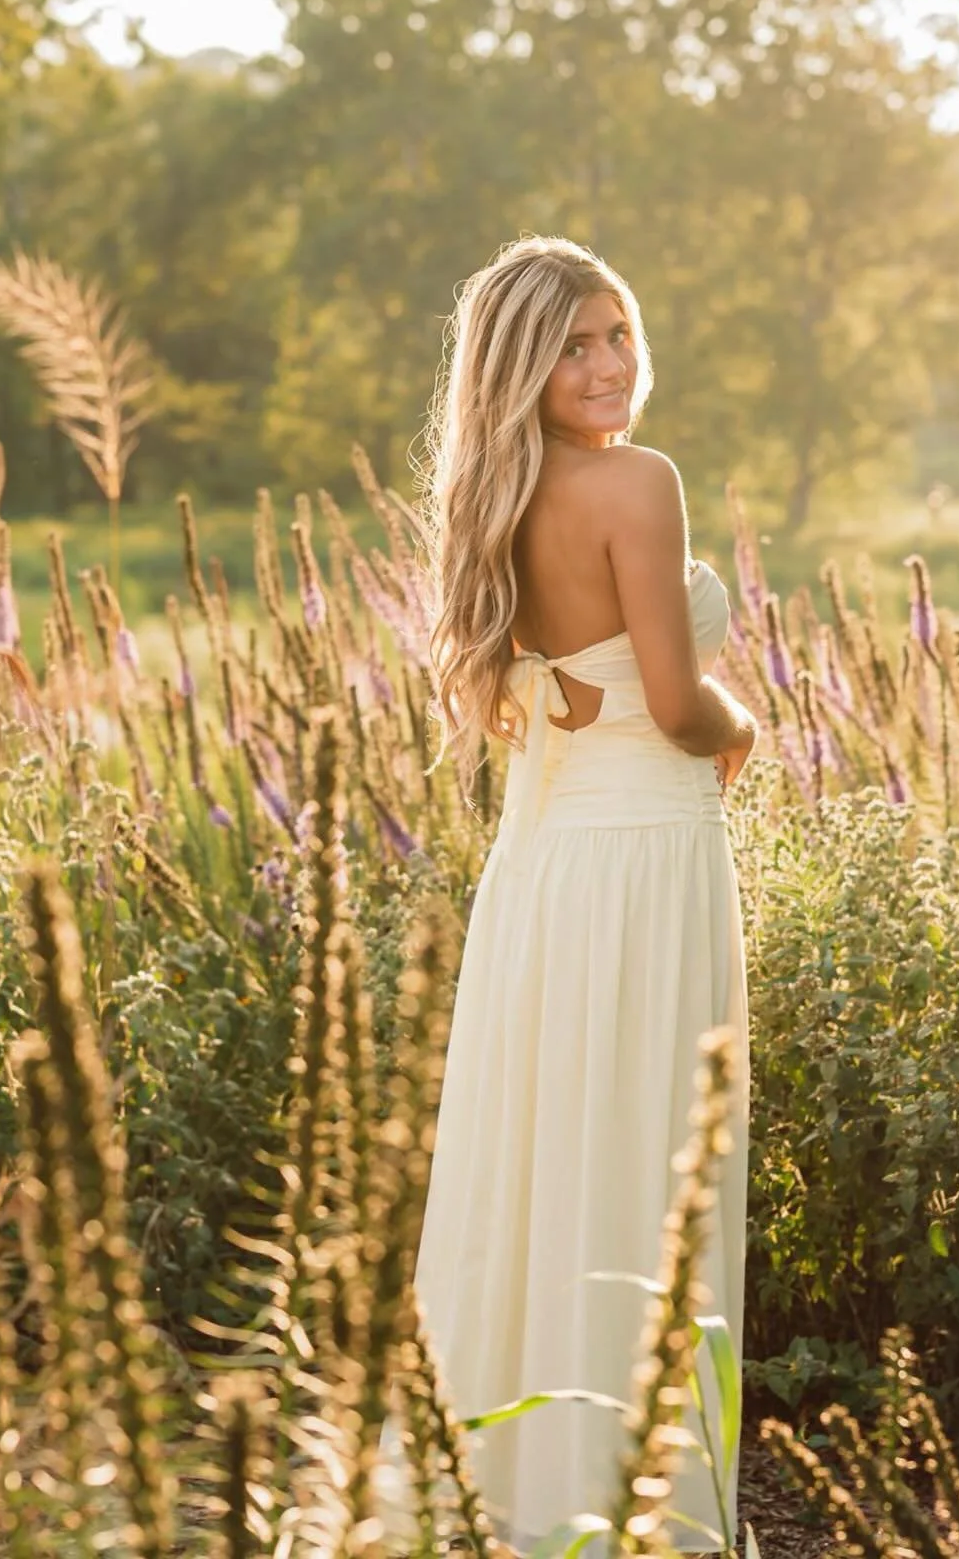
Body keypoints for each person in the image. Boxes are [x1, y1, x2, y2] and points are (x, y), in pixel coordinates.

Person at [398, 234, 757, 1550]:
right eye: (572, 345)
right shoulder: (637, 485)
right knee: (651, 1151)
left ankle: (519, 1482)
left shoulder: (495, 503)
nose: (607, 365)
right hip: (644, 853)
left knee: (549, 1155)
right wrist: (744, 730)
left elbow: (552, 699)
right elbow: (671, 702)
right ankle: (627, 1500)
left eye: (616, 334)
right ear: (522, 366)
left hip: (544, 869)